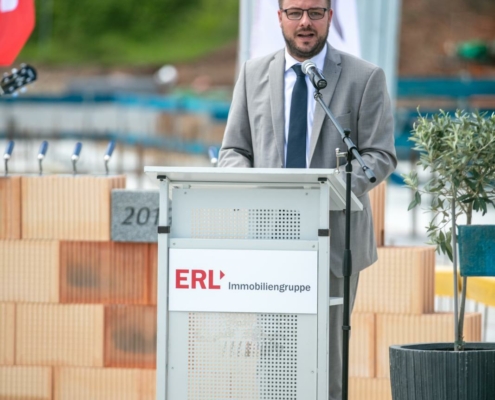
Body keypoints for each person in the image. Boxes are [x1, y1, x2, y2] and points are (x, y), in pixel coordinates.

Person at [218, 0, 397, 399]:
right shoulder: (252, 74)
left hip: (334, 240)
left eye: (315, 12)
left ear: (330, 17)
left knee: (325, 360)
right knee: (274, 357)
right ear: (279, 17)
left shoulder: (364, 77)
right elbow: (234, 150)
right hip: (269, 240)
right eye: (295, 12)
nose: (305, 22)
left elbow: (379, 155)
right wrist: (249, 187)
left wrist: (329, 191)